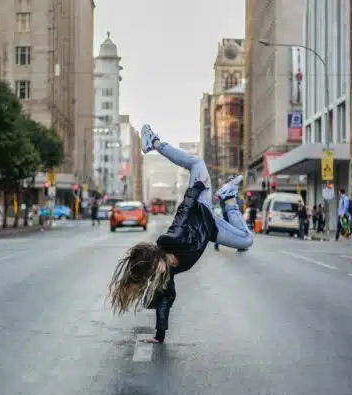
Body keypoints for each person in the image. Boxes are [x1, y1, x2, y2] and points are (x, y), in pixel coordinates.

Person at [107, 124, 253, 344]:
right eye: (160, 271)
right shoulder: (166, 278)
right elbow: (164, 303)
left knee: (197, 163)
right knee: (246, 240)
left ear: (158, 259)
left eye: (160, 264)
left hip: (199, 207)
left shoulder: (169, 241)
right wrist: (159, 336)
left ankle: (153, 142)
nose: (167, 266)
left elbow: (183, 213)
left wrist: (195, 190)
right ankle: (229, 197)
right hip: (211, 228)